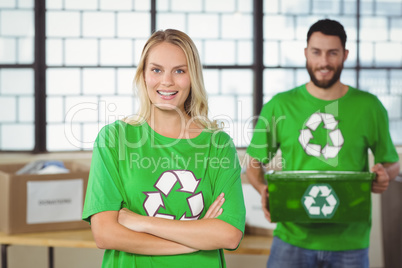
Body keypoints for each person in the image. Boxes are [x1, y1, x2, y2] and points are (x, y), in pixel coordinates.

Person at [82, 29, 246, 268]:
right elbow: (106, 234)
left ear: (193, 77)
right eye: (156, 70)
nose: (167, 81)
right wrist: (193, 241)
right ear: (143, 75)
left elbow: (229, 234)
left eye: (179, 71)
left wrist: (142, 222)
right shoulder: (114, 139)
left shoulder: (218, 145)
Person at [246, 19, 400, 268]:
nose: (324, 62)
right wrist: (263, 189)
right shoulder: (280, 106)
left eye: (333, 53)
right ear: (306, 53)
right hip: (291, 238)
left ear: (345, 55)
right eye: (316, 52)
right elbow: (253, 163)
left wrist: (385, 175)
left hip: (350, 242)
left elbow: (392, 163)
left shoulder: (369, 107)